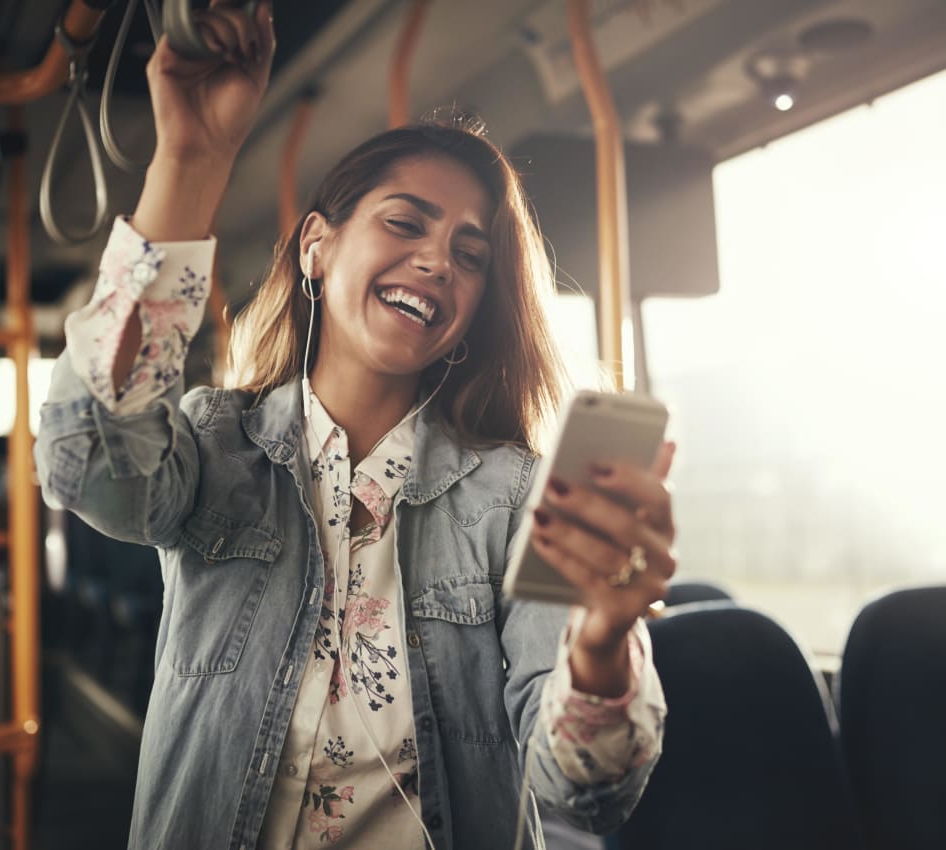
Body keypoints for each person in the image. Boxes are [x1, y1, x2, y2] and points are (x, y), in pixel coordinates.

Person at [34, 2, 676, 848]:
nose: (438, 260)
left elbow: (578, 792)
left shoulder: (513, 495)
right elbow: (88, 464)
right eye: (405, 223)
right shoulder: (218, 448)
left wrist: (601, 641)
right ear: (316, 249)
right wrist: (191, 161)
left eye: (470, 254)